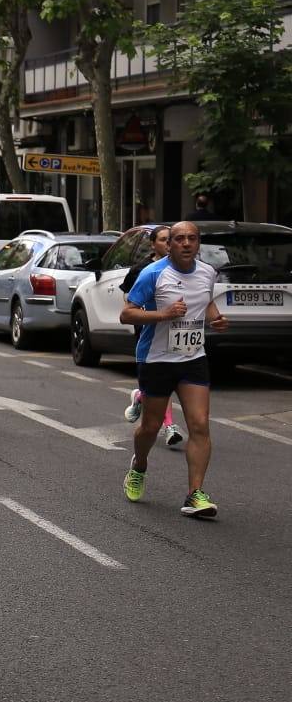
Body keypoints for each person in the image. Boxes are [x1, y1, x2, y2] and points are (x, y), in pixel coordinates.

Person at [120, 220, 226, 518]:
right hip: (156, 359)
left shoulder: (207, 272)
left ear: (198, 242)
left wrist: (217, 319)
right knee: (151, 428)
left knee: (199, 424)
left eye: (192, 238)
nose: (186, 243)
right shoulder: (153, 274)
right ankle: (139, 465)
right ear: (170, 244)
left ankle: (195, 494)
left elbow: (205, 304)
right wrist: (163, 314)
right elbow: (126, 314)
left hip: (193, 357)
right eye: (179, 239)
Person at [121, 225, 184, 449]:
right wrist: (152, 316)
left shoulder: (181, 268)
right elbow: (128, 303)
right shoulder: (143, 270)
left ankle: (142, 399)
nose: (169, 244)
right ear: (154, 244)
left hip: (178, 335)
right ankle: (168, 424)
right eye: (164, 240)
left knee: (165, 384)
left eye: (171, 239)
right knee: (159, 385)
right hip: (149, 333)